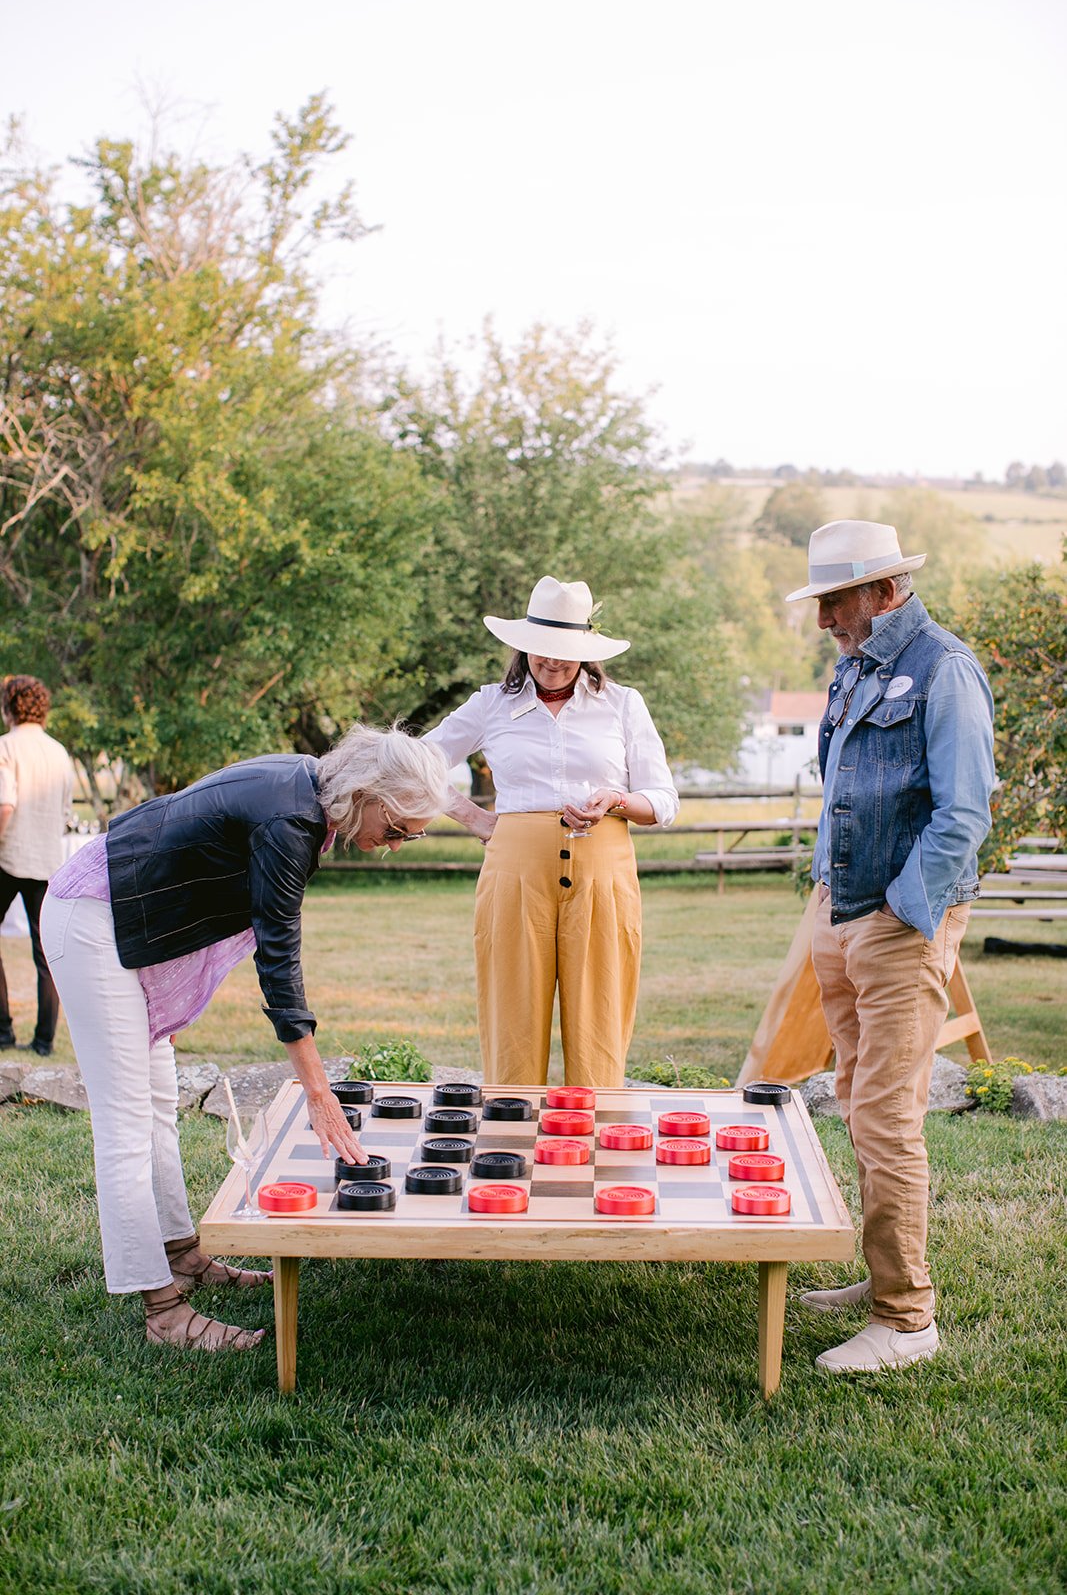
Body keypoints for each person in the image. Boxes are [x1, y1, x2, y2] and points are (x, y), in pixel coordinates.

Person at [40, 725, 449, 1352]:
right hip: (95, 916)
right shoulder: (290, 821)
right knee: (124, 1125)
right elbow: (278, 958)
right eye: (395, 829)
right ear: (365, 793)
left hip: (120, 915)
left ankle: (183, 1254)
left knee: (156, 1107)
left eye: (411, 836)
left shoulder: (313, 787)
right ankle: (162, 1311)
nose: (393, 846)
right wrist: (317, 1090)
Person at [787, 520, 995, 1374]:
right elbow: (842, 784)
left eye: (833, 600)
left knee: (884, 1117)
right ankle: (878, 1277)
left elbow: (964, 813)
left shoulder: (944, 668)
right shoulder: (854, 665)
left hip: (897, 922)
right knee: (852, 1093)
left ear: (882, 590)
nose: (824, 618)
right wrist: (826, 890)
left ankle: (905, 1319)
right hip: (842, 911)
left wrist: (906, 916)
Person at [425, 576, 678, 1089]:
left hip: (603, 875)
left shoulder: (624, 704)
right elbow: (418, 762)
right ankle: (510, 1142)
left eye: (566, 651)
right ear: (522, 645)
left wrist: (618, 801)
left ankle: (597, 1138)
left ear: (587, 650)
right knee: (512, 1016)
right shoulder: (491, 703)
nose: (553, 662)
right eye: (542, 650)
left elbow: (664, 801)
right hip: (514, 872)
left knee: (600, 1014)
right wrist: (474, 818)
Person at [0, 676, 75, 1058]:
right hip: (47, 861)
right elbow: (65, 812)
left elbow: (5, 805)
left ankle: (3, 1030)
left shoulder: (6, 748)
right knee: (45, 952)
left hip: (8, 855)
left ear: (8, 707)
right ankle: (44, 1040)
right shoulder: (59, 753)